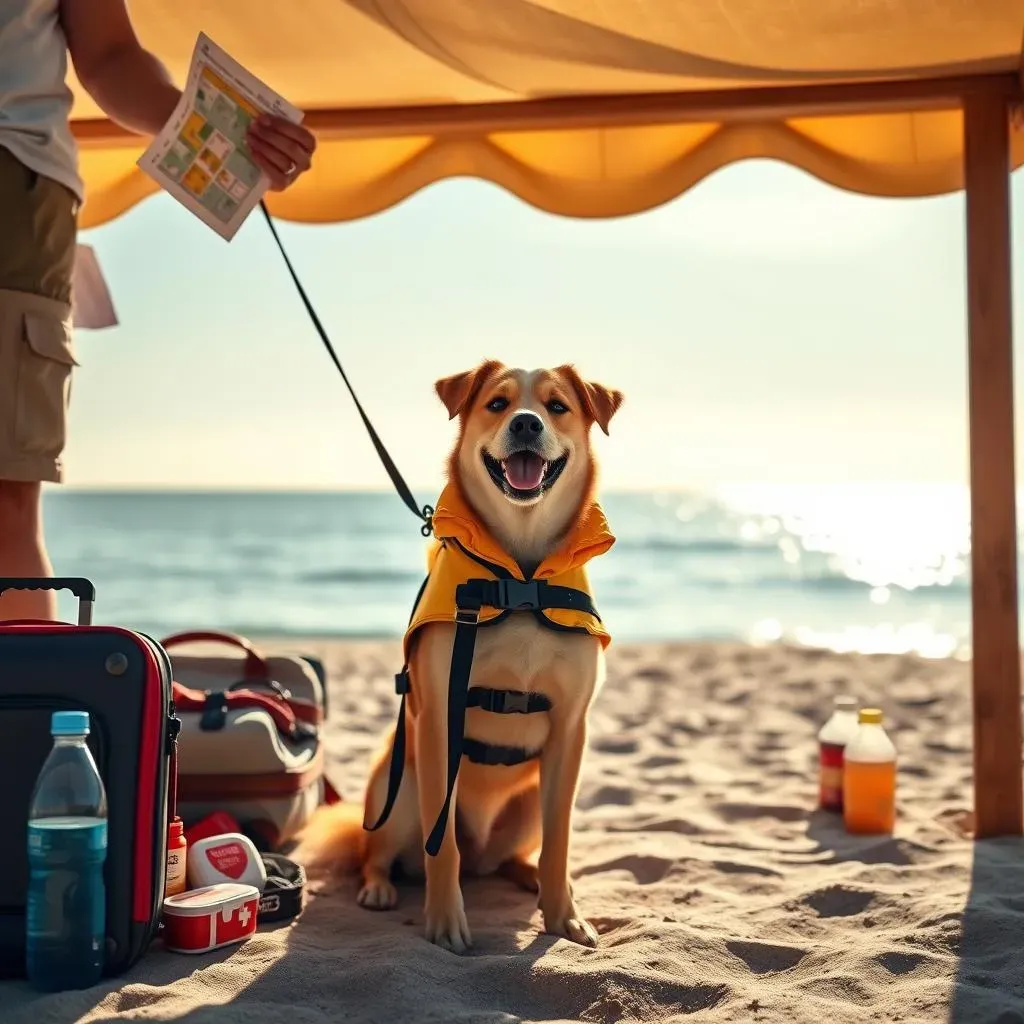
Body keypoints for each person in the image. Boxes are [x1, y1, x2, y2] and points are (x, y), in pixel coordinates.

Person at [0, 0, 316, 620]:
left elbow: (111, 56)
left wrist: (231, 140)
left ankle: (21, 716)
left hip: (13, 184)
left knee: (4, 502)